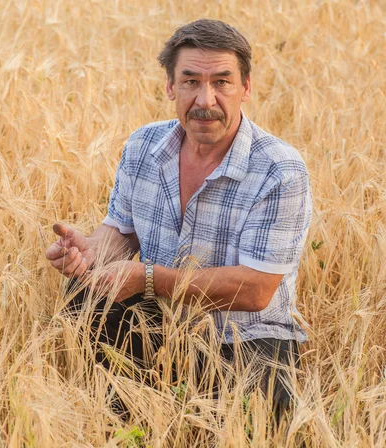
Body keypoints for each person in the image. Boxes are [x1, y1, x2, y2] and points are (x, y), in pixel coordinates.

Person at [45, 19, 312, 423]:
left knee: (248, 418)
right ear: (170, 86)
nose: (206, 99)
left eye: (222, 82)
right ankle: (132, 417)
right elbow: (121, 230)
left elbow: (257, 290)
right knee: (84, 299)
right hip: (163, 318)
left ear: (246, 87)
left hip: (248, 338)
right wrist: (89, 251)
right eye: (190, 81)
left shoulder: (279, 169)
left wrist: (146, 278)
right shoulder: (144, 145)